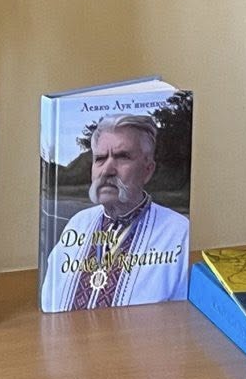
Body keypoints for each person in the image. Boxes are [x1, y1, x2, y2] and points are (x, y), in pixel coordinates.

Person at [40, 114, 189, 311]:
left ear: (148, 170)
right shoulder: (78, 224)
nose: (107, 170)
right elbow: (49, 302)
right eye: (100, 159)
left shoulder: (179, 234)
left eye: (122, 157)